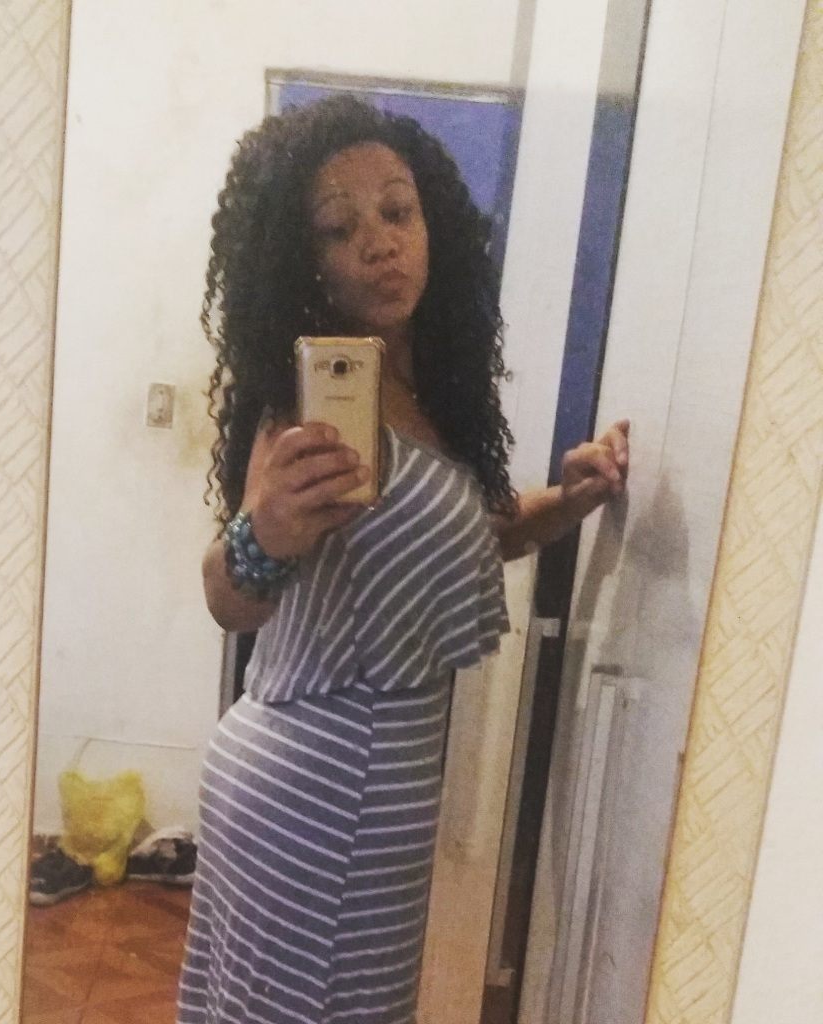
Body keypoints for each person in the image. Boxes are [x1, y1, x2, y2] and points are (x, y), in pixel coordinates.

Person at [178, 95, 629, 1024]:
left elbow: (476, 534)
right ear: (305, 259)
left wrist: (572, 498)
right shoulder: (303, 404)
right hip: (318, 791)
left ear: (435, 226)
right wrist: (264, 534)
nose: (379, 244)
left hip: (368, 792)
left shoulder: (431, 392)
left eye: (397, 211)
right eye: (339, 229)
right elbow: (229, 598)